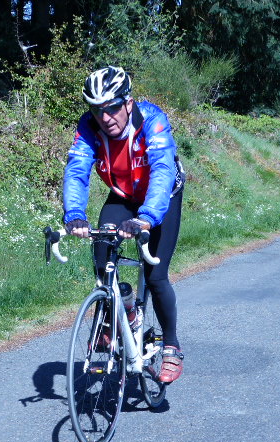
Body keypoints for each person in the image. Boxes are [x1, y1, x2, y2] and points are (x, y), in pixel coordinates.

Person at [63, 66, 186, 383]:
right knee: (102, 257)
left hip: (162, 197)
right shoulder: (89, 127)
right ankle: (123, 311)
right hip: (123, 195)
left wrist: (146, 218)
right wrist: (74, 214)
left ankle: (171, 346)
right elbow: (77, 170)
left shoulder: (152, 120)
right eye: (96, 109)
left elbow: (162, 171)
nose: (105, 117)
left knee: (156, 275)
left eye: (112, 107)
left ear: (128, 103)